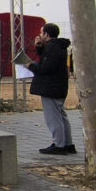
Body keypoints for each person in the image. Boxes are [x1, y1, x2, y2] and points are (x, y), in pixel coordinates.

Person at [29, 23, 73, 154]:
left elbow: (46, 68)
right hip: (59, 85)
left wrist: (30, 65)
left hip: (51, 87)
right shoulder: (58, 46)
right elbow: (48, 60)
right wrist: (39, 48)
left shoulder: (52, 48)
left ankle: (59, 144)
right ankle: (67, 143)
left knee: (53, 118)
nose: (40, 35)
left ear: (47, 34)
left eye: (42, 33)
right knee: (61, 116)